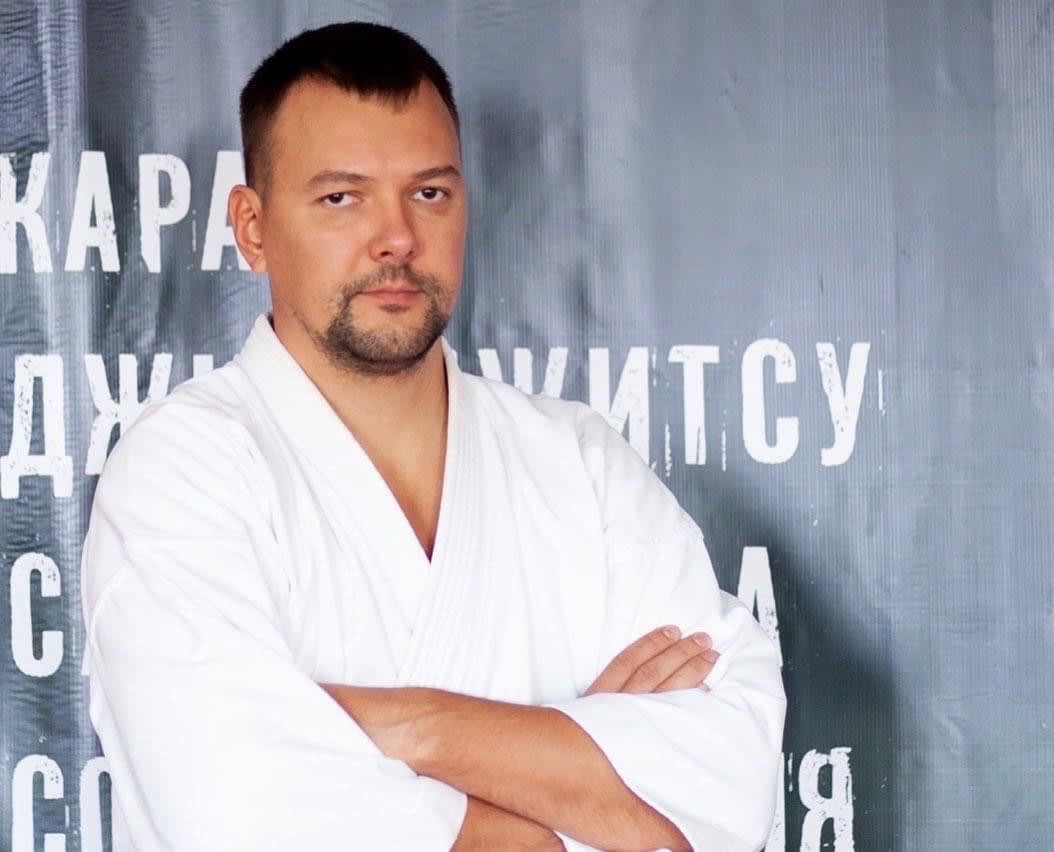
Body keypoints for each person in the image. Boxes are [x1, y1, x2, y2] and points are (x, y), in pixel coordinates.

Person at [80, 21, 785, 852]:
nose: (397, 238)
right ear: (253, 226)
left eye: (429, 194)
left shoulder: (581, 464)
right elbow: (240, 811)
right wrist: (575, 799)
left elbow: (732, 786)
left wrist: (409, 727)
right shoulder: (180, 474)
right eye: (341, 198)